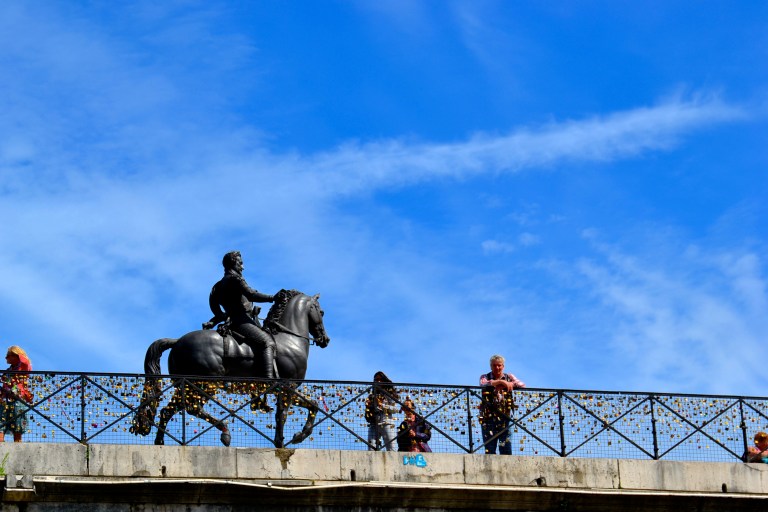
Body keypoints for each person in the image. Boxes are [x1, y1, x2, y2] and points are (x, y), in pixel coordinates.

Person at [202, 251, 277, 379]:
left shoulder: (218, 286)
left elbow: (216, 309)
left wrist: (216, 320)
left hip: (235, 320)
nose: (243, 267)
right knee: (268, 342)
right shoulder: (235, 279)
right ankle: (269, 381)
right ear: (233, 263)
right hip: (241, 321)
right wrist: (273, 297)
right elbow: (251, 294)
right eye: (240, 263)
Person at [478, 354, 525, 455]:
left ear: (503, 366)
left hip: (506, 415)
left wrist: (511, 384)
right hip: (488, 416)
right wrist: (502, 382)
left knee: (506, 445)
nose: (497, 367)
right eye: (494, 365)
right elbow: (483, 384)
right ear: (491, 366)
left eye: (499, 365)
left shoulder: (510, 376)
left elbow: (522, 385)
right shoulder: (485, 376)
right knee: (489, 446)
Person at [0, 346, 33, 443]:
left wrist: (18, 353)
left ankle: (17, 444)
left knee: (18, 422)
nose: (6, 358)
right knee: (1, 420)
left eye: (9, 356)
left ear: (16, 356)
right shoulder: (8, 370)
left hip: (18, 399)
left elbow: (26, 361)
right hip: (5, 399)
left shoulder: (23, 367)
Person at [365, 371, 399, 451]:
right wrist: (369, 407)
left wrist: (382, 405)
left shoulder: (389, 394)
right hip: (373, 424)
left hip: (386, 423)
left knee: (391, 448)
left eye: (380, 379)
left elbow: (395, 409)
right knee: (371, 448)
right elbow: (367, 414)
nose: (378, 381)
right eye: (376, 380)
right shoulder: (371, 396)